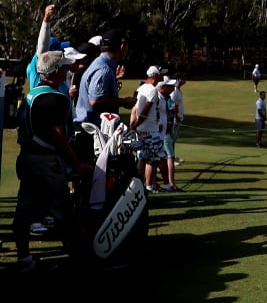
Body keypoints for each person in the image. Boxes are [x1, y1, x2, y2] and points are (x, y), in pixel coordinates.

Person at [12, 50, 94, 272]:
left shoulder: (32, 94)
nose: (68, 70)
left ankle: (24, 258)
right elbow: (57, 134)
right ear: (56, 71)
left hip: (27, 158)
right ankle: (80, 258)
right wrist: (76, 163)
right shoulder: (54, 97)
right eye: (65, 67)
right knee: (62, 212)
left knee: (25, 209)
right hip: (46, 161)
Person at [75, 29, 135, 164]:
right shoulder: (104, 69)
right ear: (122, 46)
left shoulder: (102, 65)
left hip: (90, 131)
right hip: (91, 133)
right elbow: (95, 100)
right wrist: (123, 102)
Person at [131, 66, 168, 193]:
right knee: (154, 158)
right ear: (154, 76)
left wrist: (134, 123)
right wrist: (136, 123)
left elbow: (134, 107)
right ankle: (148, 186)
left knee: (145, 157)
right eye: (160, 75)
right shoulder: (152, 90)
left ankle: (144, 185)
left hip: (142, 129)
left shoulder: (140, 88)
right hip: (149, 130)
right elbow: (145, 110)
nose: (162, 77)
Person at [170, 72, 186, 164]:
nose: (185, 81)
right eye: (183, 78)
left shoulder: (178, 90)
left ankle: (173, 156)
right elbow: (172, 104)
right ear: (178, 79)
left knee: (174, 139)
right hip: (175, 118)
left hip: (179, 117)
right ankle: (170, 158)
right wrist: (176, 116)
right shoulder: (174, 90)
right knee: (171, 139)